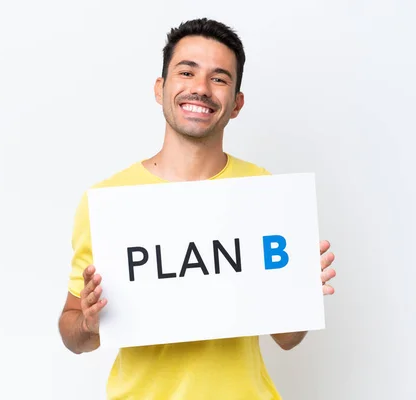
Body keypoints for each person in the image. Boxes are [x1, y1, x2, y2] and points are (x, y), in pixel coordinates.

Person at [58, 17, 337, 399]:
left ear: (236, 103)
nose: (201, 89)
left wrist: (301, 292)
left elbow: (287, 338)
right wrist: (89, 324)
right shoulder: (109, 200)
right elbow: (72, 333)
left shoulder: (263, 191)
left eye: (219, 78)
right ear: (161, 88)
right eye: (187, 71)